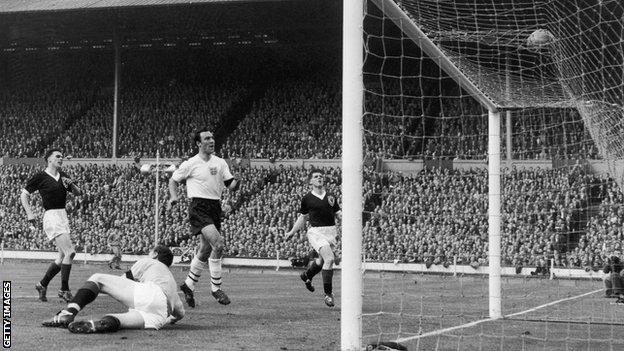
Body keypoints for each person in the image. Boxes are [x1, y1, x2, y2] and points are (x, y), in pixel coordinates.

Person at [168, 127, 239, 308]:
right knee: (219, 244)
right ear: (199, 143)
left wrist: (237, 180)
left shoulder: (220, 162)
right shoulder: (190, 163)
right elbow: (173, 180)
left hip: (215, 206)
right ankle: (216, 288)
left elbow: (230, 185)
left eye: (212, 138)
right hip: (199, 207)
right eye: (207, 139)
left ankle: (188, 285)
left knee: (205, 249)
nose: (211, 141)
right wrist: (174, 197)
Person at [42, 245, 185, 333]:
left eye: (150, 252)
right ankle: (97, 325)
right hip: (159, 315)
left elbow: (123, 280)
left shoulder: (150, 262)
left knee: (98, 279)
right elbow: (179, 313)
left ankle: (67, 313)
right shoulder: (171, 281)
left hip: (150, 294)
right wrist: (168, 320)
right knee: (118, 320)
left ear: (155, 254)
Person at [20, 148, 82, 302]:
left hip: (62, 215)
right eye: (58, 156)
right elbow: (24, 195)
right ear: (49, 159)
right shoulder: (41, 176)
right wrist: (30, 213)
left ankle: (42, 284)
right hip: (52, 216)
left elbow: (78, 193)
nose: (61, 158)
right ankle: (64, 289)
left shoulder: (64, 176)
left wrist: (72, 185)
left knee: (62, 257)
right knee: (70, 252)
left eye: (62, 156)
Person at [285, 168, 341, 307]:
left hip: (331, 232)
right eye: (316, 177)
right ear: (311, 181)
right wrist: (291, 232)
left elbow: (339, 214)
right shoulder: (307, 198)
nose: (319, 178)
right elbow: (303, 218)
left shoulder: (331, 196)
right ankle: (328, 294)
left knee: (322, 261)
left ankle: (307, 276)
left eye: (321, 176)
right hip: (316, 232)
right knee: (330, 259)